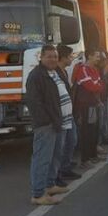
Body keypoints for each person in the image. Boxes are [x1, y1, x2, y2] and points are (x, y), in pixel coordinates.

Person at [25, 45, 72, 205]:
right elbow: (34, 102)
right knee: (42, 158)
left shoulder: (55, 72)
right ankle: (38, 194)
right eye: (49, 56)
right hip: (47, 124)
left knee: (55, 155)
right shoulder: (36, 76)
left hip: (61, 121)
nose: (52, 59)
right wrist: (46, 121)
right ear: (41, 57)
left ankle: (50, 184)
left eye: (55, 56)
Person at [72, 48, 104, 168]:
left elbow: (99, 85)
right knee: (86, 132)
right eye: (96, 56)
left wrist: (97, 87)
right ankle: (85, 160)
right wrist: (97, 86)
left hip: (93, 104)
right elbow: (93, 86)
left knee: (94, 130)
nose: (98, 58)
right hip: (85, 106)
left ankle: (93, 155)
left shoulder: (94, 69)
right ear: (89, 56)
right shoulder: (83, 69)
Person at [55, 45, 82, 181]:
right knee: (61, 144)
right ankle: (58, 172)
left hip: (68, 112)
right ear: (64, 57)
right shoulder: (55, 73)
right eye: (70, 56)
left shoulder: (64, 71)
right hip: (60, 114)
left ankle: (65, 166)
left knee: (72, 139)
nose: (72, 59)